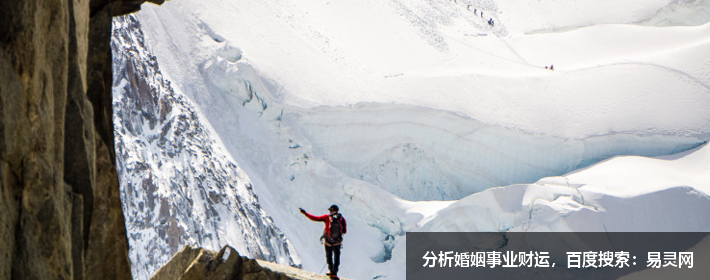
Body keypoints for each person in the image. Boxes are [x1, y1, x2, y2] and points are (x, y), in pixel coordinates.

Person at [300, 205, 347, 278]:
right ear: (337, 211)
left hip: (328, 242)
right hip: (337, 242)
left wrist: (305, 213)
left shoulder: (326, 217)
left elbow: (315, 218)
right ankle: (334, 273)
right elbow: (345, 231)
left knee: (329, 257)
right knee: (336, 258)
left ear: (331, 211)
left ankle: (331, 271)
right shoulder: (342, 219)